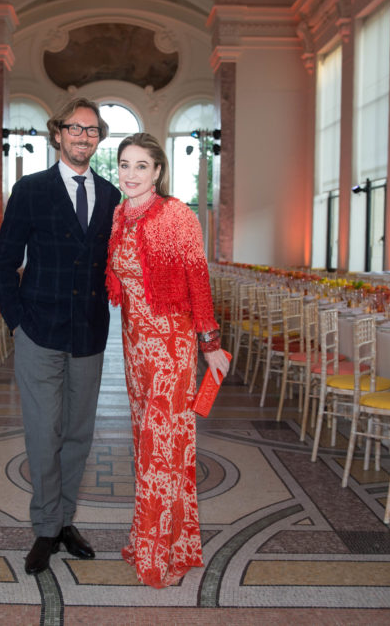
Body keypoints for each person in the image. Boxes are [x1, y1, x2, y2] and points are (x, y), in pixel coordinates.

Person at [0, 97, 123, 575]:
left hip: (89, 332)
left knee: (78, 436)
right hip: (39, 332)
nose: (83, 136)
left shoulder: (111, 196)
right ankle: (46, 528)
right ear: (58, 134)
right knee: (44, 433)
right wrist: (16, 321)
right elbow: (4, 261)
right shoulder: (30, 190)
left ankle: (66, 520)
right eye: (75, 128)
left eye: (91, 130)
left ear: (98, 138)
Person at [105, 132, 230, 589]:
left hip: (172, 347)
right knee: (148, 446)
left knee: (165, 447)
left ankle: (165, 553)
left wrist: (210, 343)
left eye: (141, 165)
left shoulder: (176, 214)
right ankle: (153, 540)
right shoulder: (119, 215)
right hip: (135, 348)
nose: (131, 174)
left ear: (158, 171)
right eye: (124, 164)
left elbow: (198, 278)